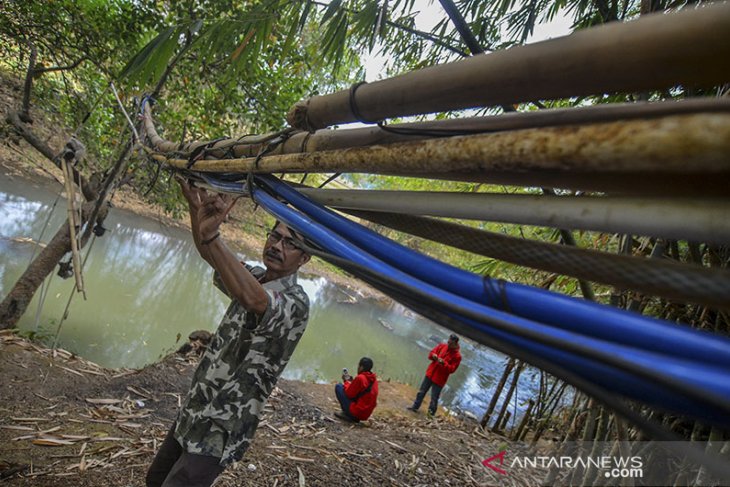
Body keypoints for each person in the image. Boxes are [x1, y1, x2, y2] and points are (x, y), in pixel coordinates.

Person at [146, 179, 311, 487]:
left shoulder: (296, 303)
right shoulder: (254, 276)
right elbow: (212, 255)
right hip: (197, 405)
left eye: (291, 243)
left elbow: (255, 300)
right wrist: (198, 211)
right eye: (275, 235)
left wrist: (214, 236)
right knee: (155, 478)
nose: (277, 245)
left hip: (221, 425)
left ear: (304, 259)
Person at [407, 334, 461, 416]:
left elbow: (452, 369)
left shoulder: (457, 356)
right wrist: (434, 356)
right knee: (421, 392)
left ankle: (430, 415)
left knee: (434, 399)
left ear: (455, 344)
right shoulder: (442, 346)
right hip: (430, 373)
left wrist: (444, 363)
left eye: (450, 343)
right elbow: (431, 353)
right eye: (448, 342)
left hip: (439, 380)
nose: (448, 344)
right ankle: (415, 407)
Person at [334, 357, 379, 423]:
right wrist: (352, 382)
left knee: (339, 387)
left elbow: (349, 394)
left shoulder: (360, 378)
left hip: (357, 412)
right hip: (365, 414)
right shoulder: (373, 379)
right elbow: (362, 392)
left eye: (358, 365)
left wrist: (346, 381)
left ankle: (348, 415)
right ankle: (352, 415)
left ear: (361, 367)